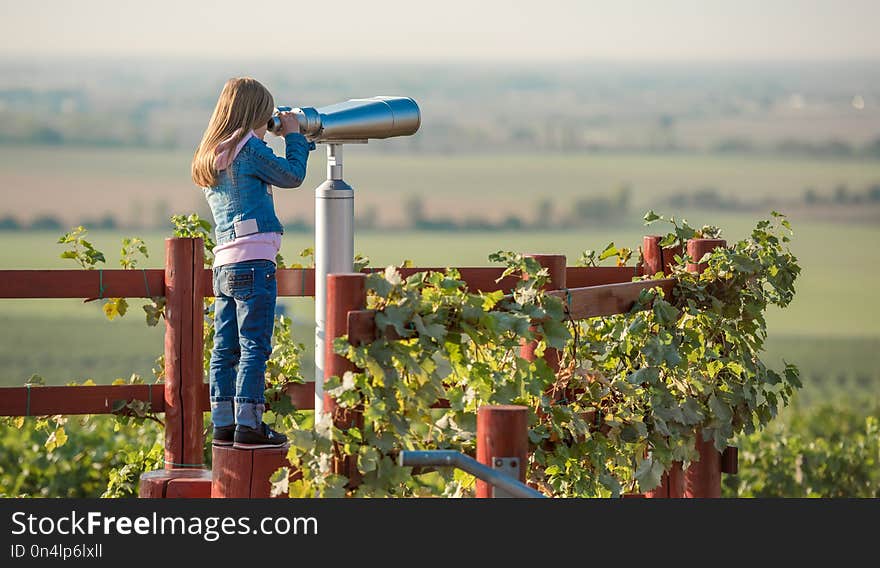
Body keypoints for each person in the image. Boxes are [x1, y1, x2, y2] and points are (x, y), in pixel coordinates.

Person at [191, 77, 314, 449]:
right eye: (266, 117)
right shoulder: (248, 151)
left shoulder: (213, 154)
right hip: (256, 262)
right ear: (254, 116)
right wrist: (293, 135)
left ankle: (223, 422)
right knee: (255, 346)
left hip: (224, 265)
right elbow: (292, 175)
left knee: (224, 348)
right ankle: (250, 424)